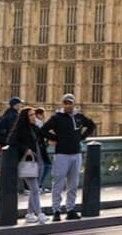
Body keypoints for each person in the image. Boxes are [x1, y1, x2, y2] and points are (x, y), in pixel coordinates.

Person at [41, 93, 95, 221]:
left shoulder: (79, 117)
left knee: (73, 184)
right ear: (62, 104)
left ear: (73, 103)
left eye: (70, 103)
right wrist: (56, 138)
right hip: (61, 155)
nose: (68, 105)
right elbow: (43, 130)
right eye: (65, 103)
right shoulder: (57, 118)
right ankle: (56, 210)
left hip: (76, 154)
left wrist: (81, 137)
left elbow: (92, 125)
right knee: (58, 184)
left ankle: (70, 209)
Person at [8, 105, 47, 224]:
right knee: (35, 189)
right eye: (30, 115)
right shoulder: (19, 130)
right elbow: (11, 142)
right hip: (27, 162)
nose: (33, 117)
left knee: (34, 190)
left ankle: (30, 214)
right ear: (25, 117)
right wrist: (25, 149)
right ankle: (39, 213)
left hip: (38, 160)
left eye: (34, 114)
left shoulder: (35, 128)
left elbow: (42, 139)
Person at [0, 96, 21, 192]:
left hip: (4, 145)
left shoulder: (6, 114)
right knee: (9, 169)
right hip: (11, 146)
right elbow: (14, 132)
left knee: (8, 168)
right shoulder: (14, 116)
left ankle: (2, 187)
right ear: (15, 105)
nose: (20, 106)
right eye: (19, 104)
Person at [34, 106, 52, 193]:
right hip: (40, 147)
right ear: (39, 114)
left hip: (40, 147)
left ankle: (38, 185)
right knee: (46, 165)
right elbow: (43, 134)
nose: (44, 116)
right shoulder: (39, 123)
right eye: (43, 114)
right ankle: (39, 185)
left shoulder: (37, 123)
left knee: (43, 166)